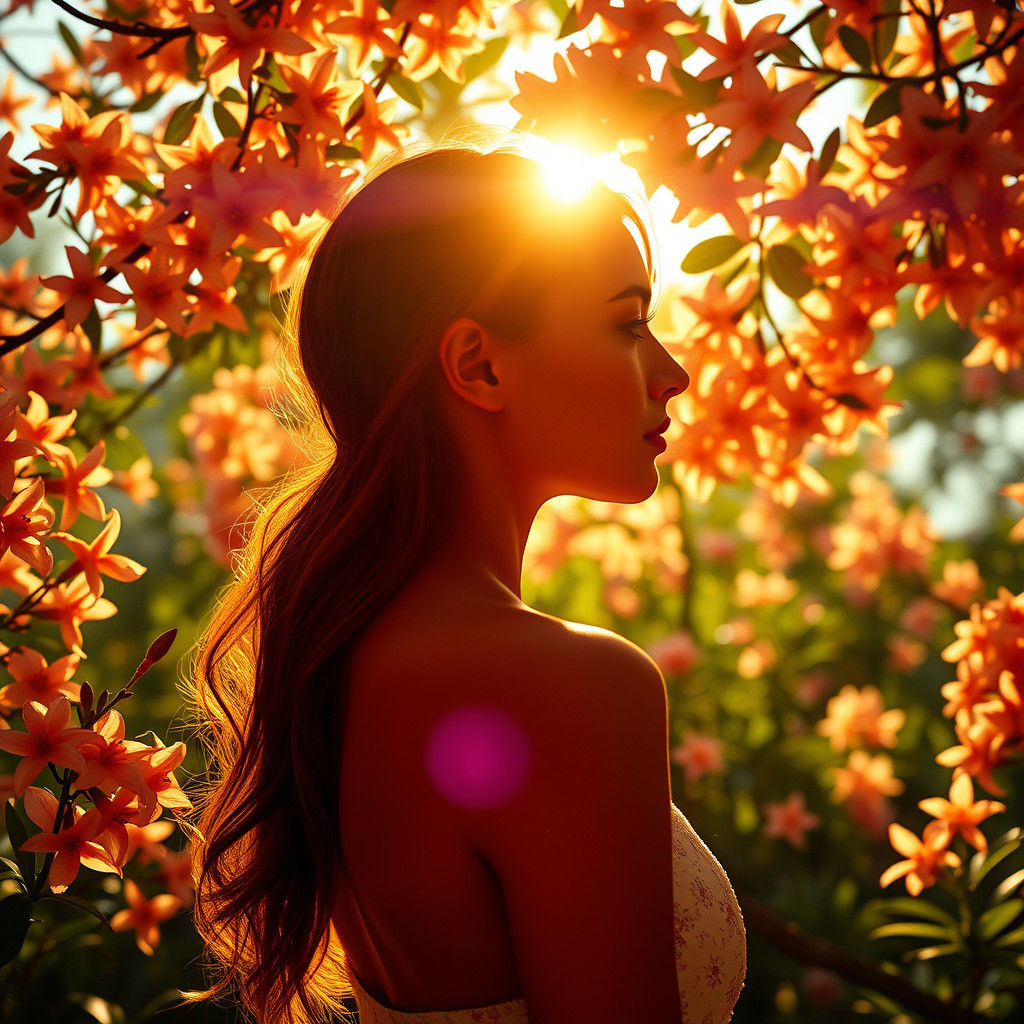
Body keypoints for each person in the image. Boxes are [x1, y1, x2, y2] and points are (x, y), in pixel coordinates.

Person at [183, 125, 745, 1024]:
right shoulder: (567, 685)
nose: (671, 372)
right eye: (626, 323)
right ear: (478, 364)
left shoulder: (343, 656)